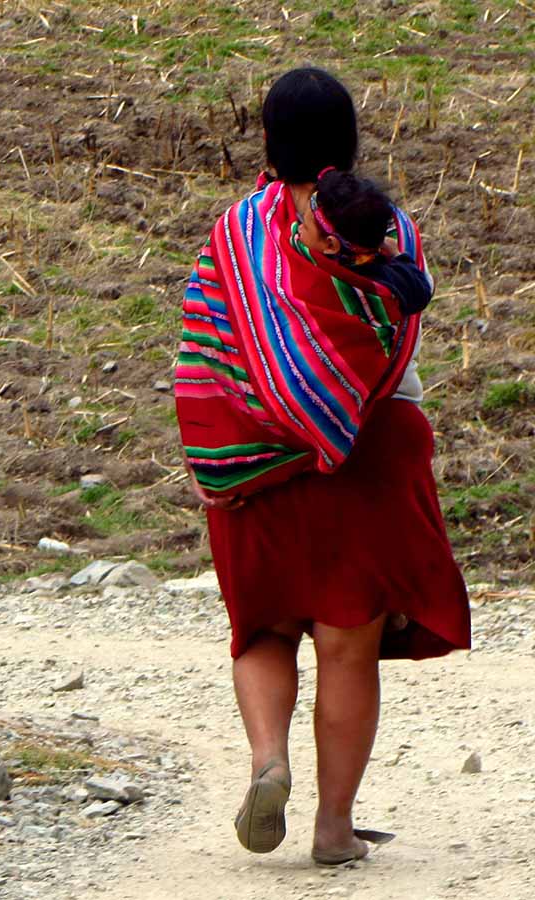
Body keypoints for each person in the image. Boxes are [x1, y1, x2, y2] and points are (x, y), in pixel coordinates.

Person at [174, 67, 471, 866]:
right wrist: (335, 410)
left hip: (259, 460)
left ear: (268, 141)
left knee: (264, 630)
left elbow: (206, 354)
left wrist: (217, 450)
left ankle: (268, 761)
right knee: (348, 647)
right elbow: (396, 327)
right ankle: (334, 830)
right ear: (350, 139)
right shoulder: (387, 226)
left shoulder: (237, 231)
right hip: (371, 455)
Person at [299, 167, 433, 315]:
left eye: (305, 226)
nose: (297, 229)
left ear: (331, 245)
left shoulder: (309, 276)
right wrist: (397, 254)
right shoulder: (390, 280)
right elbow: (421, 290)